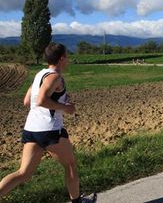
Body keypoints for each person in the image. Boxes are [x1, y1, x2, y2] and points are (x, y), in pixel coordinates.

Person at [0, 43, 96, 203]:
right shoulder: (55, 77)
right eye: (68, 56)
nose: (69, 60)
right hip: (50, 131)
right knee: (71, 165)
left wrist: (57, 103)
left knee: (23, 173)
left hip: (31, 129)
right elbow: (41, 100)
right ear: (62, 59)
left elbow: (27, 101)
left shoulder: (39, 75)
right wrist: (66, 108)